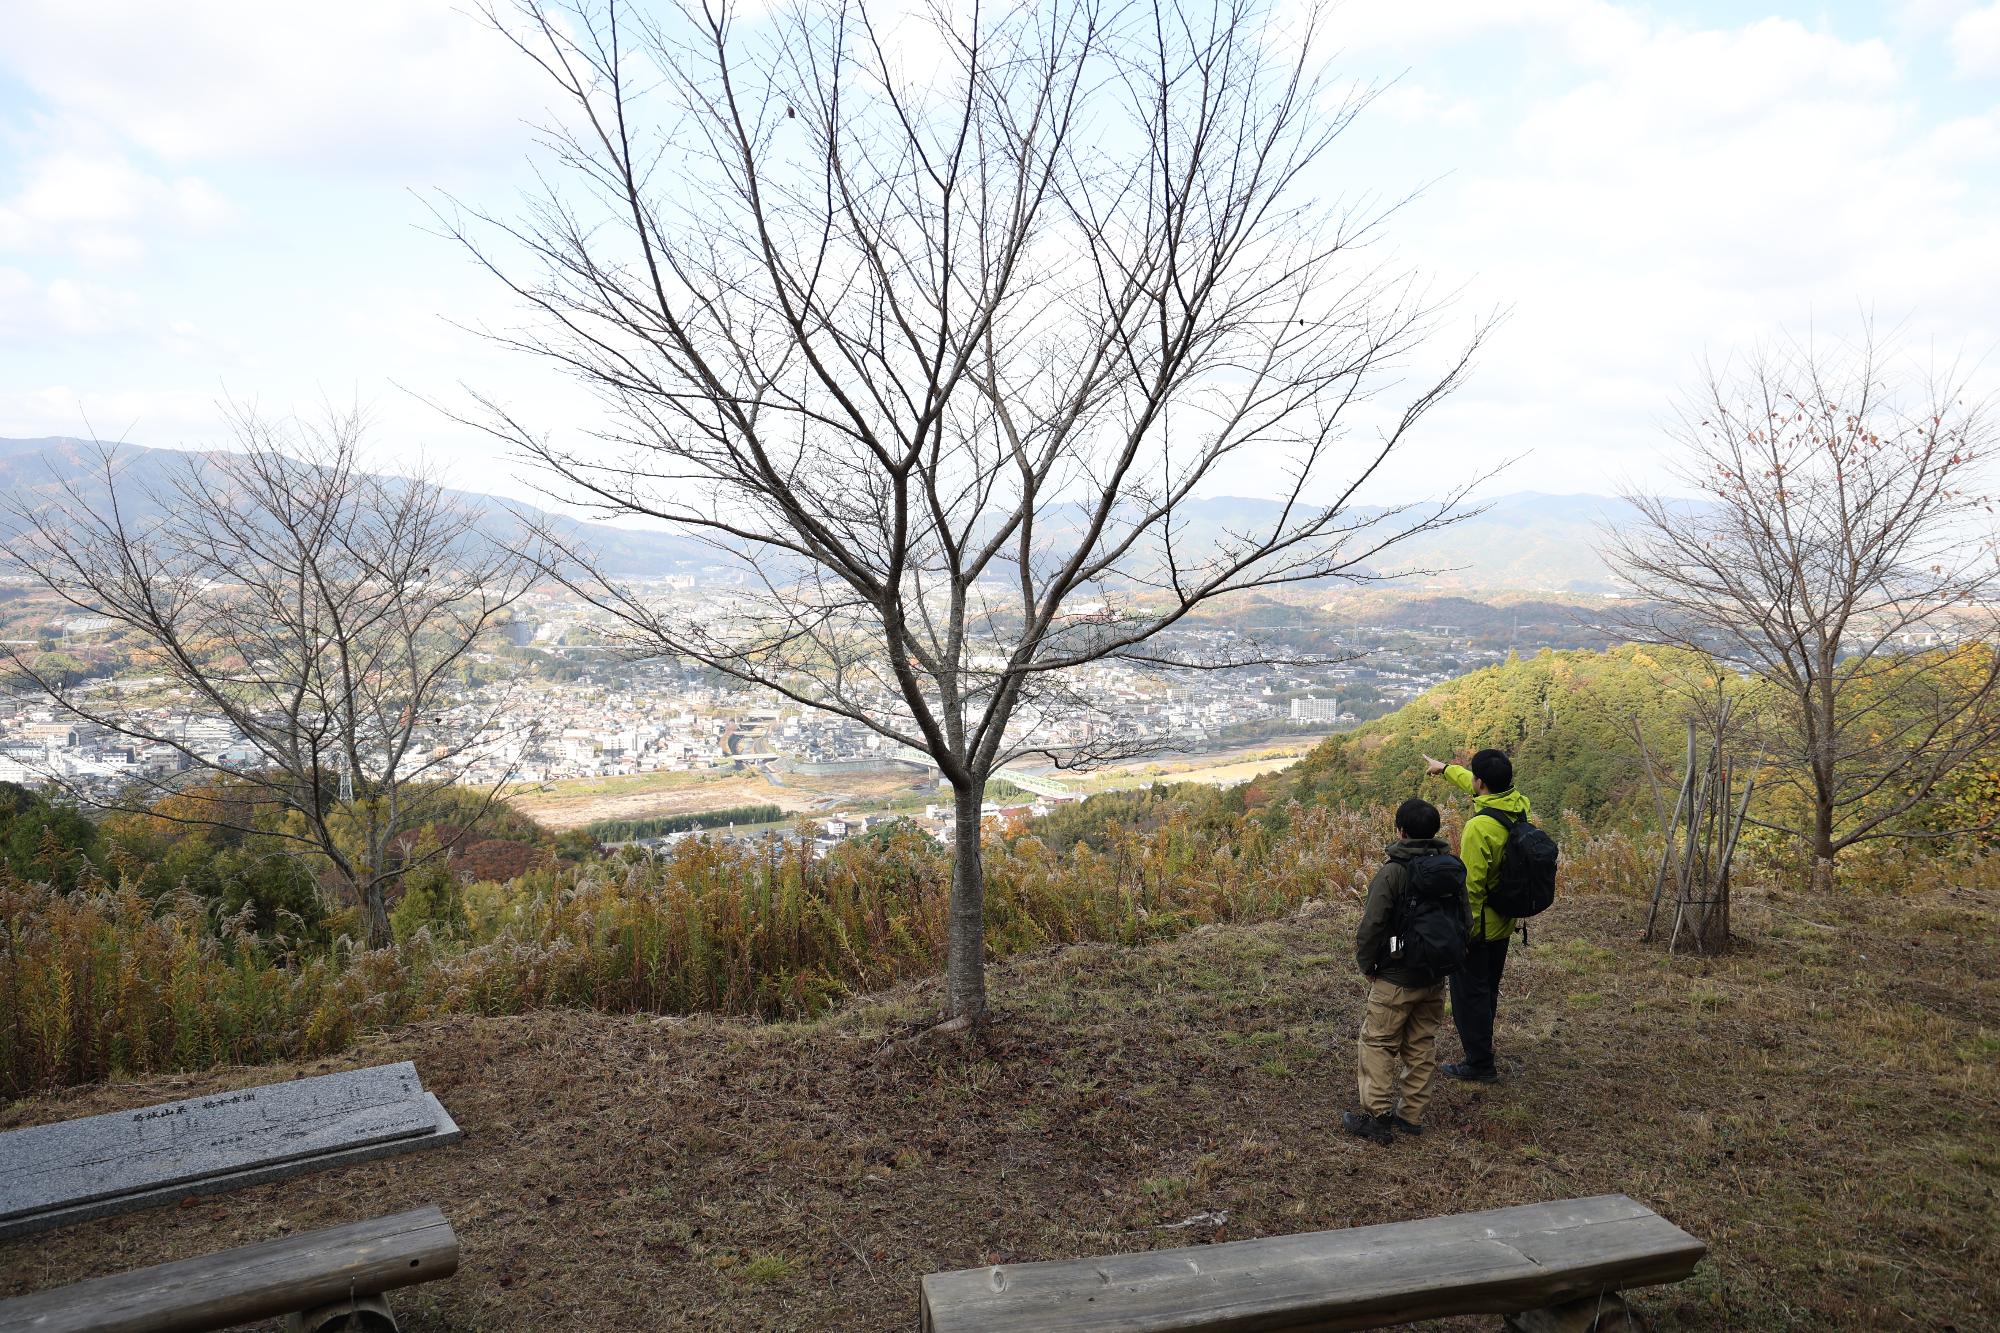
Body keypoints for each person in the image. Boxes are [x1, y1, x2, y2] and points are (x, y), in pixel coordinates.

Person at [1341, 797, 1469, 1146]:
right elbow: (1464, 920)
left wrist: (1368, 964)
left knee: (1378, 1042)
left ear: (1400, 831)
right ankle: (1411, 1115)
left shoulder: (1393, 871)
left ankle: (1378, 1116)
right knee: (1421, 1043)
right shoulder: (1451, 867)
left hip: (1395, 978)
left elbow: (1373, 924)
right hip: (1434, 976)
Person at [1424, 747, 1529, 1083]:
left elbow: (1470, 887)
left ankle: (1479, 1064)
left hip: (1478, 928)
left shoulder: (1479, 828)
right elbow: (1476, 783)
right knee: (1487, 989)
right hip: (1503, 922)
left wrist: (1462, 932)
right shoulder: (1517, 806)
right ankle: (1482, 1049)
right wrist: (1446, 769)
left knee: (1469, 997)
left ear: (1482, 783)